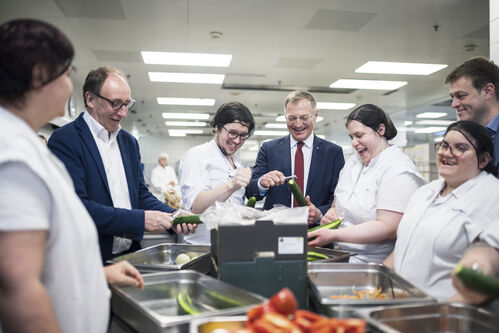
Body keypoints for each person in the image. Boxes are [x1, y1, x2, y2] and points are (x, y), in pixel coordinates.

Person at [0, 19, 143, 333]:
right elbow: (17, 285)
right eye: (66, 74)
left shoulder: (25, 145)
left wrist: (99, 275)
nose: (69, 85)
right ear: (39, 75)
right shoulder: (13, 154)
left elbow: (50, 259)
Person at [48, 66, 196, 262]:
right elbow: (78, 207)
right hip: (88, 258)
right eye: (116, 104)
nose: (123, 113)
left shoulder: (128, 142)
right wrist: (140, 220)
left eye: (127, 104)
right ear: (90, 99)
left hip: (130, 255)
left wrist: (174, 215)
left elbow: (140, 195)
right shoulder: (66, 140)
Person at [385, 121, 499, 301]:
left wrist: (443, 313)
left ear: (484, 159)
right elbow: (404, 247)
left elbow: (488, 253)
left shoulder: (492, 195)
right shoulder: (424, 192)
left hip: (442, 313)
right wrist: (375, 278)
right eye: (444, 145)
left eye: (460, 148)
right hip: (400, 303)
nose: (447, 153)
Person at [308, 104, 426, 263]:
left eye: (359, 135)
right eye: (351, 137)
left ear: (381, 130)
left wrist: (335, 234)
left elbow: (388, 227)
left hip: (376, 262)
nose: (354, 143)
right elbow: (338, 201)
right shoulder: (353, 161)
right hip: (345, 255)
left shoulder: (398, 169)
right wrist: (331, 213)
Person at [246, 90, 345, 225]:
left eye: (304, 118)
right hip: (274, 233)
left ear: (315, 115)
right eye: (292, 118)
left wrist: (319, 214)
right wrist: (261, 183)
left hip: (317, 234)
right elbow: (250, 192)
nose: (298, 124)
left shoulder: (333, 152)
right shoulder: (269, 149)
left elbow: (339, 198)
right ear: (286, 117)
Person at [179, 102, 255, 245]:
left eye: (243, 135)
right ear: (217, 127)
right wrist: (231, 185)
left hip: (233, 245)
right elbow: (196, 207)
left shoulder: (237, 162)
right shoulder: (197, 156)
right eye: (232, 132)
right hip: (203, 247)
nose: (237, 140)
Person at [446, 57, 499, 177]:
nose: (453, 104)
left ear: (488, 91)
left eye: (461, 96)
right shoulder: (469, 139)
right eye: (452, 97)